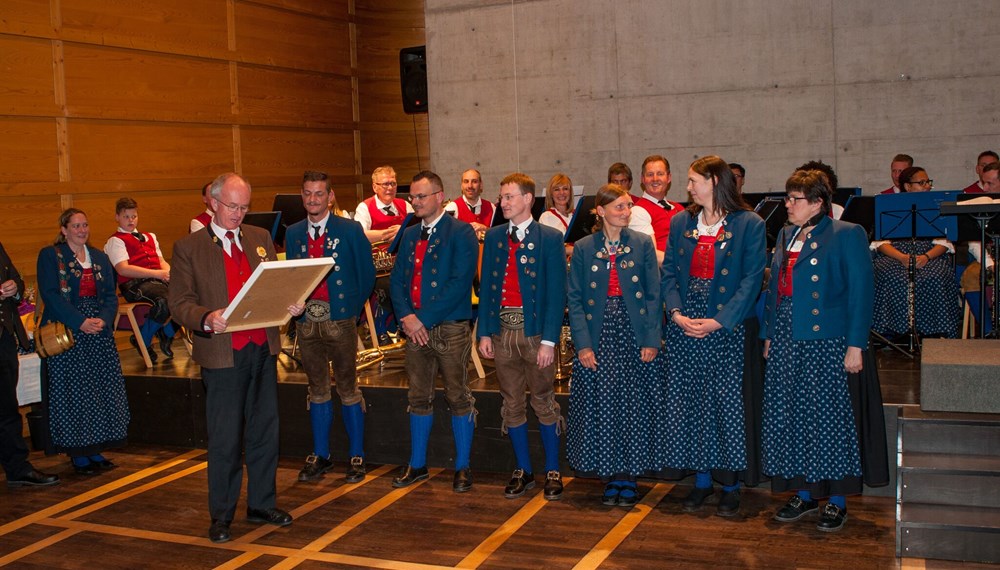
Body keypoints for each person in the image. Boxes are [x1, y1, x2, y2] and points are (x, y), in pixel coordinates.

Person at [168, 173, 300, 543]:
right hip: (223, 356)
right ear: (212, 203)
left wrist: (291, 300)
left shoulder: (260, 239)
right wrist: (206, 317)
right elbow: (178, 303)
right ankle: (222, 515)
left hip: (262, 349)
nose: (239, 214)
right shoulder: (188, 247)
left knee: (264, 433)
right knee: (225, 439)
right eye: (232, 206)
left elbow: (273, 284)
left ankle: (261, 503)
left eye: (244, 207)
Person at [761, 169, 888, 532]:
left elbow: (862, 292)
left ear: (818, 202)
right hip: (787, 335)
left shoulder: (847, 234)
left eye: (794, 199)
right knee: (792, 415)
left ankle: (836, 500)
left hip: (826, 341)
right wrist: (770, 333)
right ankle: (803, 491)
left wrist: (855, 344)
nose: (787, 204)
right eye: (788, 197)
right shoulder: (787, 232)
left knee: (828, 419)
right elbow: (776, 289)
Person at [659, 155, 766, 517]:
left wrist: (719, 321)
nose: (688, 187)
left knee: (725, 407)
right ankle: (701, 482)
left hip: (727, 329)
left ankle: (730, 485)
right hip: (686, 324)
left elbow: (752, 280)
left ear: (714, 182)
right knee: (690, 405)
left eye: (693, 180)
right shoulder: (681, 223)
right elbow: (669, 273)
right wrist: (676, 313)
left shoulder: (748, 224)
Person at [566, 183, 663, 507]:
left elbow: (653, 295)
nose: (626, 212)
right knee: (603, 405)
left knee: (632, 406)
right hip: (598, 335)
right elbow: (576, 300)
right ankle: (611, 475)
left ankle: (630, 477)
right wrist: (583, 345)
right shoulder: (583, 247)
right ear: (601, 211)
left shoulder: (641, 244)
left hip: (632, 333)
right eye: (619, 207)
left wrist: (651, 338)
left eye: (627, 206)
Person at [478, 173, 567, 501]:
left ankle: (553, 469)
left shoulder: (550, 238)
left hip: (536, 334)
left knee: (543, 400)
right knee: (511, 401)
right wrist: (484, 331)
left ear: (529, 199)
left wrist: (549, 341)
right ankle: (523, 469)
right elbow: (487, 287)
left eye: (510, 197)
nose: (503, 203)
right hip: (502, 332)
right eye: (502, 197)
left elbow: (558, 293)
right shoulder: (495, 236)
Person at [388, 171, 479, 492]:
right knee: (418, 397)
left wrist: (420, 319)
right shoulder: (411, 235)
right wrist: (406, 318)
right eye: (412, 197)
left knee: (458, 396)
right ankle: (417, 464)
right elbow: (397, 282)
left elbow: (459, 284)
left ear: (440, 196)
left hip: (449, 328)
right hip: (415, 330)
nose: (415, 202)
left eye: (421, 196)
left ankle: (464, 466)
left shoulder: (461, 232)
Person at [285, 170, 375, 483]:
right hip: (307, 323)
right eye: (308, 193)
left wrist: (350, 312)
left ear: (330, 196)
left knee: (348, 388)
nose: (313, 199)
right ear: (302, 195)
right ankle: (321, 454)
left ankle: (357, 455)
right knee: (317, 389)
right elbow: (292, 277)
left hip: (341, 321)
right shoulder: (293, 232)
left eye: (319, 193)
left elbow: (367, 275)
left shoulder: (349, 230)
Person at [36, 209, 130, 475]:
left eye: (85, 225)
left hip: (97, 333)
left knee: (99, 391)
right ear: (64, 229)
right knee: (73, 393)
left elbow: (110, 295)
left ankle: (95, 448)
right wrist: (80, 322)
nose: (82, 230)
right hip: (69, 331)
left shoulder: (99, 257)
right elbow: (51, 295)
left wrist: (103, 319)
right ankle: (78, 453)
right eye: (75, 226)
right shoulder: (51, 256)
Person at [871, 166, 961, 339]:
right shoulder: (891, 205)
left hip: (929, 254)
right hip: (895, 255)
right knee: (889, 276)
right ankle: (891, 331)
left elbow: (944, 242)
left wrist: (926, 257)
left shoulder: (938, 205)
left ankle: (936, 330)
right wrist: (902, 257)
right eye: (921, 183)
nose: (927, 186)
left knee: (936, 275)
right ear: (907, 186)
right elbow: (880, 243)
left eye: (928, 182)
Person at [1, 241, 59, 487]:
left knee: (6, 408)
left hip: (3, 337)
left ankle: (18, 468)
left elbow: (16, 278)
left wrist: (15, 289)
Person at [104, 197, 177, 363]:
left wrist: (169, 273)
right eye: (126, 216)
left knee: (186, 295)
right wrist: (157, 274)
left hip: (156, 281)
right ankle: (143, 338)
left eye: (134, 216)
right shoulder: (115, 241)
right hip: (134, 285)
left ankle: (167, 332)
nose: (131, 220)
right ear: (117, 217)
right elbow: (123, 269)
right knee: (164, 300)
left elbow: (161, 261)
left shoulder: (150, 236)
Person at [354, 166, 414, 344]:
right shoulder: (365, 207)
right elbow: (359, 234)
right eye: (385, 184)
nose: (390, 188)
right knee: (387, 284)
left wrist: (404, 231)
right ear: (375, 187)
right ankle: (383, 326)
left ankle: (409, 324)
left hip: (403, 263)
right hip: (379, 267)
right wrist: (385, 234)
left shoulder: (405, 205)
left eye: (393, 184)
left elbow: (418, 228)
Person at [632, 155, 684, 263]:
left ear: (668, 178)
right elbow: (650, 254)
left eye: (660, 174)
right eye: (650, 174)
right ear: (643, 179)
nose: (655, 179)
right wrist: (684, 264)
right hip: (663, 276)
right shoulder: (637, 211)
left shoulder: (679, 208)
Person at [609, 162, 656, 245]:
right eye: (615, 182)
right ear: (609, 184)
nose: (619, 185)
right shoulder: (606, 206)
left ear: (630, 183)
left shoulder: (639, 204)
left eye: (623, 181)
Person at [444, 169, 494, 238]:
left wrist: (487, 229)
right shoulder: (452, 208)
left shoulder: (492, 208)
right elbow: (443, 237)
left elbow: (501, 236)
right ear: (461, 186)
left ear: (481, 185)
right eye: (466, 181)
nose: (470, 186)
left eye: (474, 181)